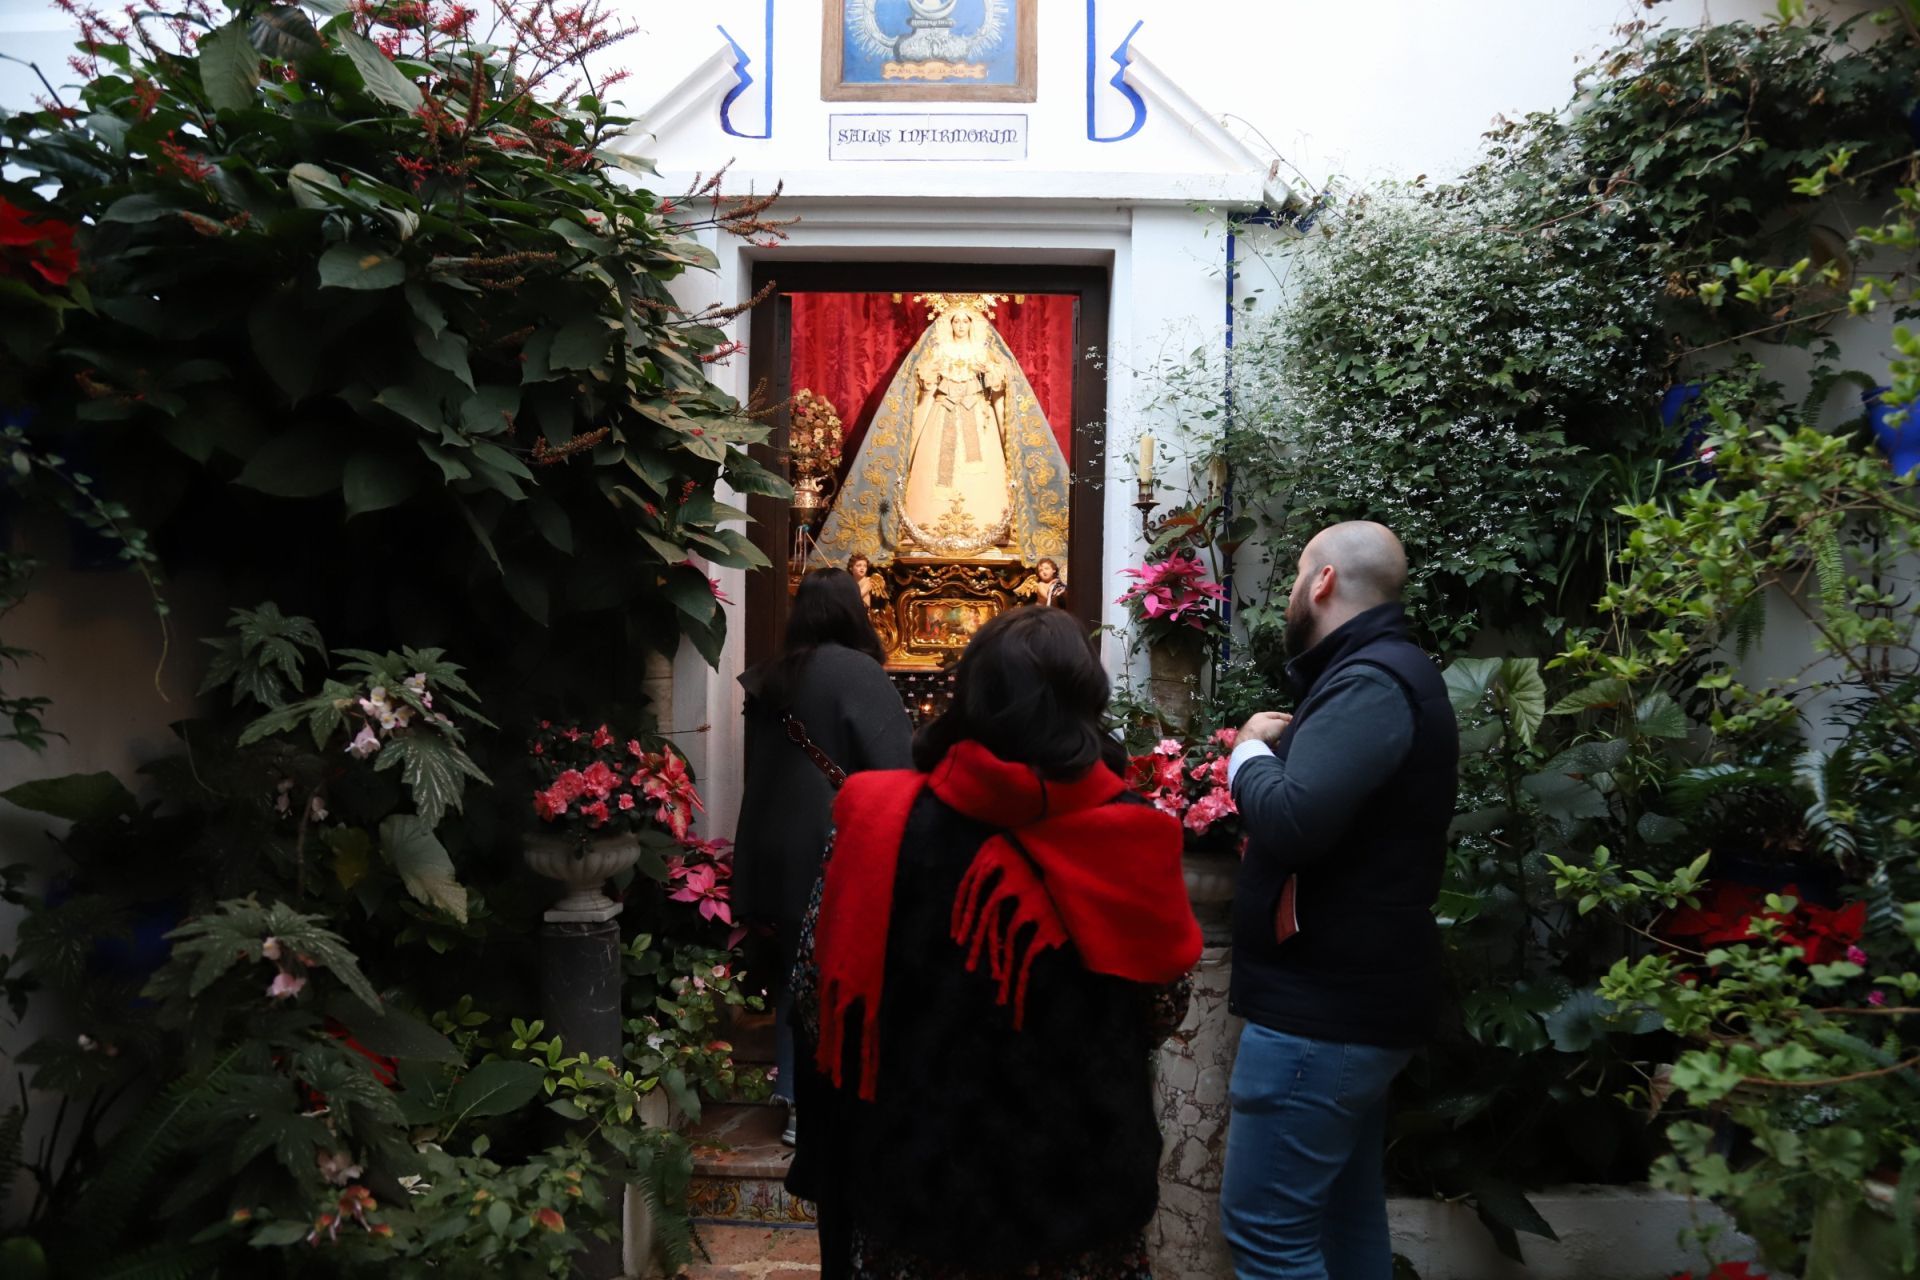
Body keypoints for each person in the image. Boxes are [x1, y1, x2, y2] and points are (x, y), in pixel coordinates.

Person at [789, 607, 1203, 1278]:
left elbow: (816, 999)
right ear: (1084, 701)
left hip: (916, 1179)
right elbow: (1164, 1009)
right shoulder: (1133, 838)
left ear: (970, 696)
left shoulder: (876, 820)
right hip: (1080, 1187)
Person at [1218, 521, 1460, 1280]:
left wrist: (1247, 752)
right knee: (1340, 1225)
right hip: (1346, 1004)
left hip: (1323, 1013)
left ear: (1321, 582)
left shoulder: (1371, 680)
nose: (1292, 590)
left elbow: (1293, 818)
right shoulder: (1375, 672)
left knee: (1267, 1238)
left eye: (1295, 573)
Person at [734, 568, 914, 1146]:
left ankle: (791, 1097)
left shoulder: (773, 677)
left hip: (775, 846)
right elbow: (897, 768)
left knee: (795, 970)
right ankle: (834, 1098)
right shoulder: (857, 672)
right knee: (842, 970)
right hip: (836, 847)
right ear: (851, 612)